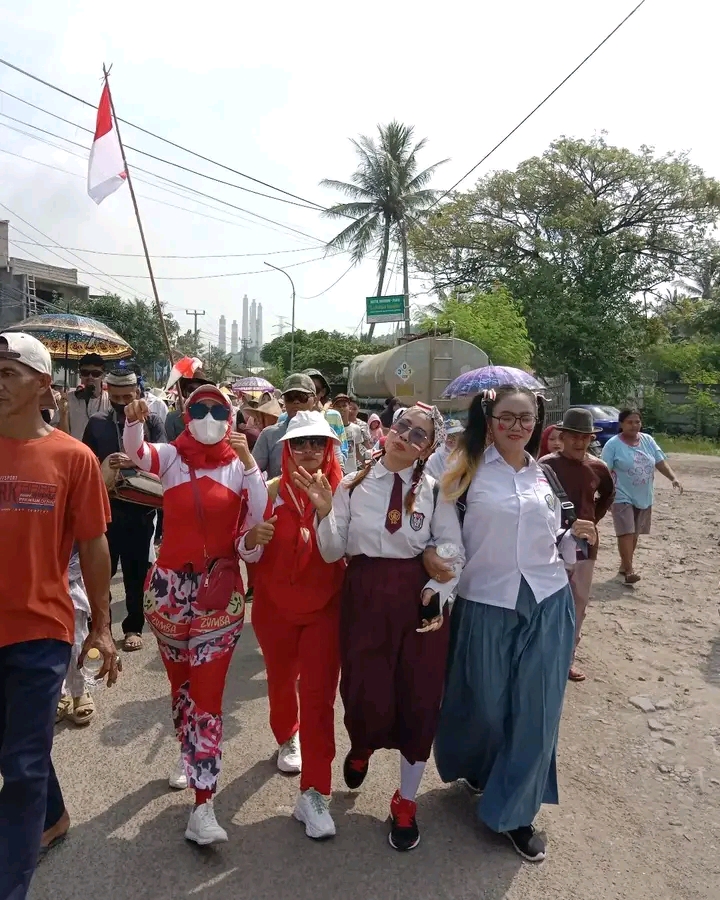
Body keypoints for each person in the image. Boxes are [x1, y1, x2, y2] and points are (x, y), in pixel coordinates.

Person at [434, 386, 597, 863]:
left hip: (548, 601)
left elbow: (556, 544)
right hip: (484, 600)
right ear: (489, 418)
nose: (517, 425)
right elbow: (440, 534)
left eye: (526, 418)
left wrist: (577, 539)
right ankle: (477, 767)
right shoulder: (463, 471)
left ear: (538, 422)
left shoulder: (545, 476)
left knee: (537, 711)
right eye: (507, 416)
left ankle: (515, 813)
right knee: (484, 703)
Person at [294, 403, 464, 853]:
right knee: (365, 690)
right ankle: (363, 743)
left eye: (420, 434)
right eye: (402, 425)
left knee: (421, 696)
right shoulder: (352, 484)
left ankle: (406, 800)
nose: (406, 435)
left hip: (417, 599)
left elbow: (452, 545)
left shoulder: (435, 491)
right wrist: (324, 511)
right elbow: (332, 552)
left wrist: (437, 575)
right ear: (388, 429)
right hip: (365, 595)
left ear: (428, 448)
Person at [123, 385, 267, 845]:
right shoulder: (171, 457)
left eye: (217, 409)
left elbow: (257, 520)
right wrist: (132, 419)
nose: (208, 415)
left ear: (230, 416)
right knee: (181, 685)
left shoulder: (240, 467)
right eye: (199, 408)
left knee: (207, 696)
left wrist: (249, 464)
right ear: (187, 415)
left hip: (218, 593)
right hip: (166, 590)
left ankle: (204, 804)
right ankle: (189, 753)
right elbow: (136, 453)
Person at [0, 332, 116, 900]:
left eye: (8, 371)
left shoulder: (74, 458)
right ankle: (56, 815)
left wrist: (102, 625)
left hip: (40, 631)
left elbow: (94, 544)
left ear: (43, 385)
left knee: (20, 766)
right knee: (18, 750)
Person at [239, 411, 346, 839]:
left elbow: (338, 551)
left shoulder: (345, 489)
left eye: (317, 444)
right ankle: (287, 735)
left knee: (319, 698)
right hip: (274, 610)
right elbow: (244, 550)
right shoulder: (267, 492)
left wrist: (325, 512)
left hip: (325, 610)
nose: (308, 452)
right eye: (299, 444)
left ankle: (315, 793)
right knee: (281, 681)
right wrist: (251, 541)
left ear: (328, 448)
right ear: (286, 448)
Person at [83, 368, 167, 652]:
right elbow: (85, 461)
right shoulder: (96, 422)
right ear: (108, 393)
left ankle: (133, 627)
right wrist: (106, 462)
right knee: (100, 573)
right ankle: (100, 627)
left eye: (127, 397)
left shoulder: (153, 421)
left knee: (135, 573)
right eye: (116, 397)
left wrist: (135, 460)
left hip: (140, 512)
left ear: (138, 394)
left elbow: (162, 458)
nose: (122, 402)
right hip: (103, 508)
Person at [540, 408, 615, 682]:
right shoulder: (546, 465)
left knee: (578, 603)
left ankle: (567, 658)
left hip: (585, 546)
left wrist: (592, 518)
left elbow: (608, 493)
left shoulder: (598, 467)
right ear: (563, 435)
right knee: (547, 601)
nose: (579, 443)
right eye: (574, 436)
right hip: (549, 544)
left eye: (585, 437)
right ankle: (544, 654)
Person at [601, 408, 683, 584]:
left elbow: (660, 461)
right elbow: (604, 471)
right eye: (629, 422)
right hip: (620, 494)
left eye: (637, 422)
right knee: (626, 532)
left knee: (635, 533)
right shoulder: (613, 445)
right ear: (621, 424)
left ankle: (624, 565)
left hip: (643, 495)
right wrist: (604, 494)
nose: (634, 425)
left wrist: (673, 478)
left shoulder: (648, 440)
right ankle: (630, 571)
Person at [254, 374, 343, 478]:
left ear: (314, 400)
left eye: (302, 397)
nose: (296, 402)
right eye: (290, 397)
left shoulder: (327, 434)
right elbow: (254, 473)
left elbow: (339, 470)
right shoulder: (269, 435)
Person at [55, 549, 97, 727]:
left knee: (77, 638)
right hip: (30, 573)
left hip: (70, 566)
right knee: (46, 641)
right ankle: (57, 693)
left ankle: (79, 690)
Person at [54, 351, 111, 441]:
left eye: (95, 374)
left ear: (103, 375)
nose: (90, 377)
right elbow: (56, 434)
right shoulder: (67, 400)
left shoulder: (110, 401)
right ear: (80, 375)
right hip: (75, 452)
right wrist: (63, 413)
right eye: (85, 373)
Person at [302, 369, 348, 467]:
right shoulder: (287, 417)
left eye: (316, 390)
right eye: (306, 390)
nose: (312, 394)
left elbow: (343, 452)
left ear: (323, 392)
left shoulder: (334, 416)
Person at [164, 368, 214, 441]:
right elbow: (169, 446)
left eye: (199, 389)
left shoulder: (213, 417)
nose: (194, 393)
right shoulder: (172, 418)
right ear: (185, 392)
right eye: (191, 389)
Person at [332, 393, 364, 473]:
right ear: (333, 409)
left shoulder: (356, 428)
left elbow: (356, 451)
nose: (342, 409)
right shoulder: (330, 430)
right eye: (338, 406)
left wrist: (366, 464)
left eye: (344, 405)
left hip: (351, 472)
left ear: (348, 407)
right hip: (337, 471)